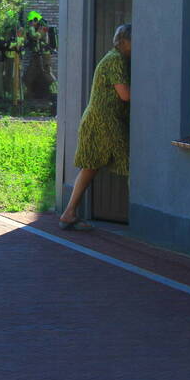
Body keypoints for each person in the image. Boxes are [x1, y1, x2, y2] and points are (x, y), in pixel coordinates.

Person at [59, 24, 132, 231]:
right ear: (125, 42)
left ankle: (69, 213)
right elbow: (125, 94)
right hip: (105, 121)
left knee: (90, 165)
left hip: (94, 119)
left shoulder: (112, 57)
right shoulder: (116, 60)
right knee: (131, 163)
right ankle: (143, 216)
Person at [23, 10, 57, 101]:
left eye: (31, 21)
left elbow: (36, 36)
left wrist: (30, 30)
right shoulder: (36, 27)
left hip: (44, 55)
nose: (31, 23)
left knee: (47, 73)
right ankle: (27, 95)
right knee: (29, 74)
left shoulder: (43, 28)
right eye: (29, 22)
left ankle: (56, 92)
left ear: (36, 19)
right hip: (37, 55)